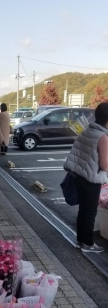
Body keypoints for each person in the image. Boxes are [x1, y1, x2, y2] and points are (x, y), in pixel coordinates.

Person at [64, 102, 108, 253]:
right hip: (91, 179)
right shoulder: (103, 137)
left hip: (80, 177)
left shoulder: (88, 130)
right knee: (90, 212)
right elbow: (104, 165)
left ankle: (80, 241)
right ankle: (88, 244)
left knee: (83, 210)